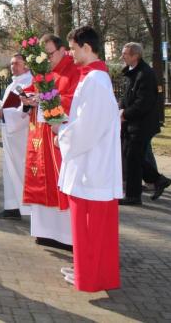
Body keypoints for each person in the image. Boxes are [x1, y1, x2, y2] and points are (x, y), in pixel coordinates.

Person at [56, 26, 122, 291]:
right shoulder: (92, 78)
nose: (70, 54)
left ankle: (90, 275)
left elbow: (88, 127)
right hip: (89, 163)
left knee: (90, 227)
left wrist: (61, 135)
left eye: (73, 49)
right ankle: (84, 268)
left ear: (86, 47)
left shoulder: (95, 81)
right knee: (87, 227)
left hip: (92, 167)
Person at [22, 34, 80, 251]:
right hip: (40, 136)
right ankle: (45, 231)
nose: (46, 59)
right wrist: (28, 99)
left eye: (50, 54)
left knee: (59, 182)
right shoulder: (43, 72)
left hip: (58, 136)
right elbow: (32, 90)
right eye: (43, 55)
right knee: (40, 179)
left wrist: (46, 99)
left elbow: (75, 100)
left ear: (63, 50)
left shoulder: (74, 70)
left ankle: (66, 236)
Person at [119, 42, 171, 204]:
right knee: (132, 156)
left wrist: (125, 114)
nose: (122, 57)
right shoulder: (133, 72)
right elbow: (128, 96)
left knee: (133, 157)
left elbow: (143, 103)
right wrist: (121, 108)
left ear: (136, 56)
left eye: (125, 54)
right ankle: (158, 180)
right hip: (133, 123)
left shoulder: (145, 74)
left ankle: (133, 196)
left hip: (142, 124)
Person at [0, 54, 33, 219]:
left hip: (21, 135)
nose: (13, 67)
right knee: (9, 171)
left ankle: (28, 209)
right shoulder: (12, 84)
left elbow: (27, 110)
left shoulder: (29, 82)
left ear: (26, 65)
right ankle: (11, 207)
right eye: (11, 64)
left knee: (20, 170)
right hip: (9, 134)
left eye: (17, 63)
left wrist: (5, 114)